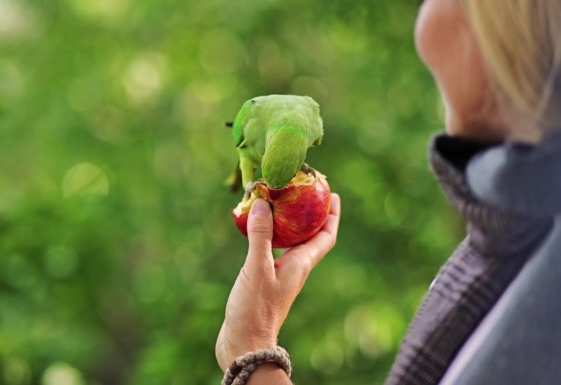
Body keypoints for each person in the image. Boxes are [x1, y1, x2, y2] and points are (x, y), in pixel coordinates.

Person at [216, 0, 561, 384]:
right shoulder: (508, 233)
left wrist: (251, 350)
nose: (423, 27)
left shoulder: (542, 291)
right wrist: (252, 345)